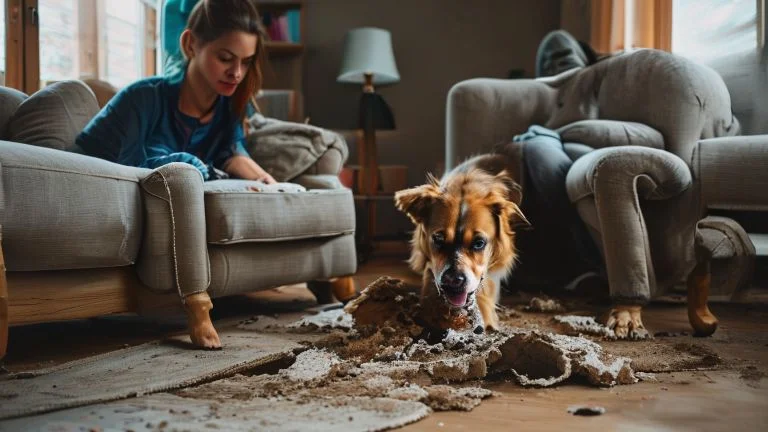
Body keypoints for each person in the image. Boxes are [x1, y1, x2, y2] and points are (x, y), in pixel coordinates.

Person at [76, 0, 276, 184]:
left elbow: (234, 155)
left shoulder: (229, 106)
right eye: (225, 58)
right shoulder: (141, 98)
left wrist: (268, 182)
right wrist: (192, 165)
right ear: (190, 44)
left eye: (246, 62)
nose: (237, 73)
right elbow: (126, 173)